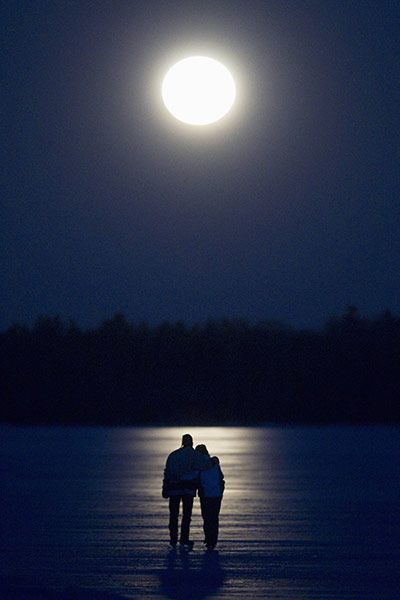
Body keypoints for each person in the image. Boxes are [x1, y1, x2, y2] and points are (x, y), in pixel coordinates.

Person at [162, 433, 211, 549]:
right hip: (188, 490)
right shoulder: (195, 455)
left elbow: (167, 472)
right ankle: (184, 539)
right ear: (192, 442)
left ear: (182, 442)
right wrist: (213, 460)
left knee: (173, 515)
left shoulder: (173, 456)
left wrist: (165, 488)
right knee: (186, 516)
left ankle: (173, 539)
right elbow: (206, 465)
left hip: (174, 489)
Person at [195, 444, 225, 550]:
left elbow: (196, 479)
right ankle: (213, 540)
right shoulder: (215, 463)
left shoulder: (198, 465)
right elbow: (221, 477)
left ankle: (209, 539)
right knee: (214, 518)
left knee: (207, 518)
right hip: (216, 494)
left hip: (206, 495)